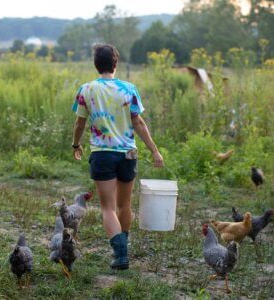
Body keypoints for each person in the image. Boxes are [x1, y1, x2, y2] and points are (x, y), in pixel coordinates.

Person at [72, 44, 163, 270]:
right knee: (124, 205)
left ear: (96, 64)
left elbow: (80, 122)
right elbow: (138, 122)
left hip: (103, 154)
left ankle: (121, 253)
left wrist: (76, 144)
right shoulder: (129, 89)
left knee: (108, 208)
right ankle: (123, 245)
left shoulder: (86, 89)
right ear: (115, 63)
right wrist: (154, 150)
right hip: (129, 153)